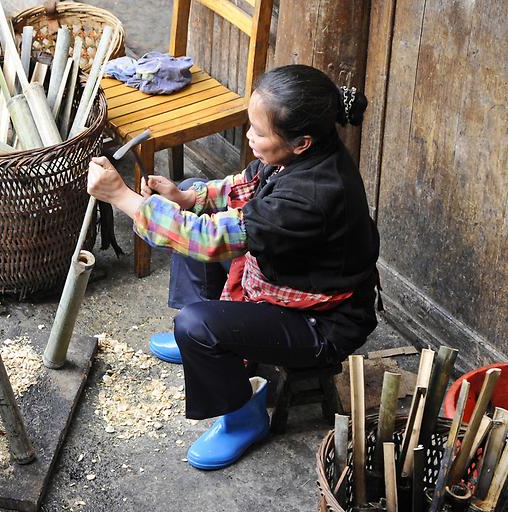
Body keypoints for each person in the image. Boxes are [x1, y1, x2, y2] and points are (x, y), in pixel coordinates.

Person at [88, 65, 379, 471]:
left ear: (301, 143)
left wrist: (121, 196)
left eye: (259, 133)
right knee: (189, 192)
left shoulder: (313, 195)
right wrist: (189, 199)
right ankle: (208, 347)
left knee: (195, 322)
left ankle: (243, 417)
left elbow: (208, 238)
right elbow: (247, 183)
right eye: (250, 126)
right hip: (288, 276)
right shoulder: (301, 153)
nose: (249, 138)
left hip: (323, 320)